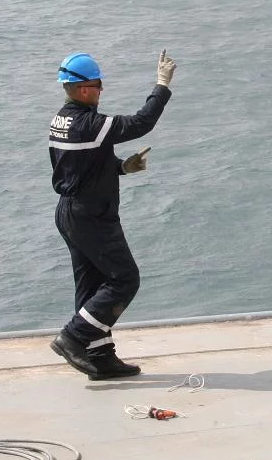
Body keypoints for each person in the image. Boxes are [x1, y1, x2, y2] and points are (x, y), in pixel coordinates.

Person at [48, 49, 176, 380]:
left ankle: (100, 355)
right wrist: (161, 85)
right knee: (124, 279)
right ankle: (74, 337)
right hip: (91, 215)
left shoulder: (61, 121)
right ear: (85, 88)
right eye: (99, 84)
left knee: (91, 285)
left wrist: (122, 167)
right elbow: (141, 122)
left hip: (71, 212)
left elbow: (83, 166)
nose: (102, 90)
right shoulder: (91, 123)